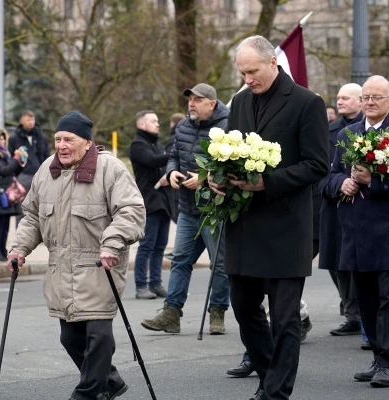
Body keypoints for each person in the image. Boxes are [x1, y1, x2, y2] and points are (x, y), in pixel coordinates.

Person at [208, 36, 328, 400]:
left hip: (287, 227)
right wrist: (218, 176)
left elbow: (318, 165)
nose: (247, 79)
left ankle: (276, 393)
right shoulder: (240, 101)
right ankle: (268, 376)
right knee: (244, 312)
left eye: (252, 71)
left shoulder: (308, 103)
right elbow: (231, 153)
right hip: (244, 227)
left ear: (273, 62)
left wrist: (268, 182)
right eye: (242, 72)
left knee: (285, 318)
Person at [7, 110, 146, 400]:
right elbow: (32, 216)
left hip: (98, 266)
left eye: (68, 139)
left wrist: (112, 242)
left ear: (86, 142)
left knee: (98, 336)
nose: (61, 146)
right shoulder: (46, 170)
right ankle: (110, 381)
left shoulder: (111, 169)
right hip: (61, 268)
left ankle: (88, 393)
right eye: (57, 139)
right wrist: (19, 248)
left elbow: (131, 211)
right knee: (70, 337)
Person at [326, 75, 389, 388]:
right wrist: (342, 183)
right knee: (367, 301)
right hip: (357, 233)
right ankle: (378, 357)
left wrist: (369, 181)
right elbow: (329, 177)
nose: (370, 102)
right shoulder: (347, 134)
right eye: (366, 97)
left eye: (377, 97)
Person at [141, 83, 230, 335]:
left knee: (219, 265)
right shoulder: (182, 126)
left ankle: (217, 313)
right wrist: (171, 171)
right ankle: (171, 313)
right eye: (189, 99)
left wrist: (204, 177)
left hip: (214, 209)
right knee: (180, 260)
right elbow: (173, 156)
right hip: (188, 208)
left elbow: (232, 163)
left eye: (197, 100)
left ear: (211, 104)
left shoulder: (227, 125)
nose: (191, 104)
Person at [318, 84, 365, 341]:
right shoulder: (330, 131)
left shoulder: (368, 130)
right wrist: (338, 184)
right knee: (337, 262)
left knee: (360, 263)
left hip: (364, 206)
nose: (340, 101)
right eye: (338, 98)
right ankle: (352, 314)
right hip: (334, 204)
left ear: (360, 100)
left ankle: (362, 314)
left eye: (345, 97)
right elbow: (322, 170)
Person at [129, 110, 175, 299]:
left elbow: (161, 166)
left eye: (157, 121)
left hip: (163, 202)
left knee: (160, 246)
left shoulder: (157, 144)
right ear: (142, 125)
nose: (158, 124)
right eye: (153, 121)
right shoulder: (138, 145)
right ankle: (141, 286)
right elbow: (152, 161)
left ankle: (156, 283)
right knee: (147, 245)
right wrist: (173, 154)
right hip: (149, 202)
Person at [0, 129, 27, 261]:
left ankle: (2, 251)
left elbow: (13, 172)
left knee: (5, 225)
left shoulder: (5, 155)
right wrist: (15, 159)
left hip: (7, 194)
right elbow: (4, 170)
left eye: (4, 139)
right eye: (0, 139)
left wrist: (20, 161)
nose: (3, 141)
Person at [7, 110, 50, 226]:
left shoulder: (41, 136)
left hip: (40, 175)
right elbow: (11, 156)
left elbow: (46, 155)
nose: (31, 122)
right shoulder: (14, 137)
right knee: (22, 207)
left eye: (32, 120)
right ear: (22, 121)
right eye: (28, 120)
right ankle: (20, 234)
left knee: (41, 207)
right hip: (23, 176)